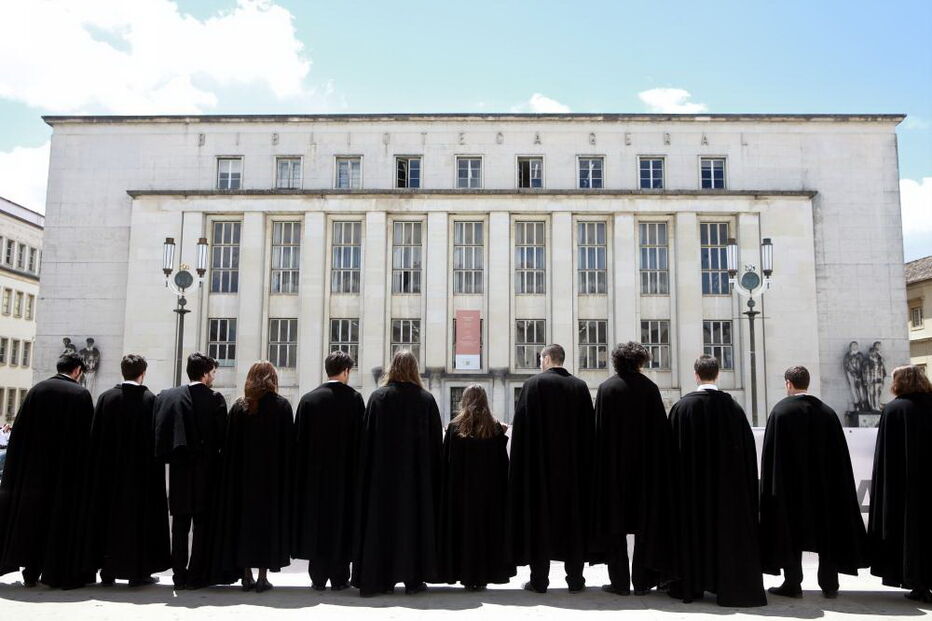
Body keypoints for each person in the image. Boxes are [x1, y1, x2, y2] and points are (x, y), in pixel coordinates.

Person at [760, 365, 868, 599]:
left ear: (788, 383)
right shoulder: (827, 413)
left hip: (790, 489)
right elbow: (840, 458)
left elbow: (771, 457)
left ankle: (793, 582)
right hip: (825, 489)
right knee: (826, 532)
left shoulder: (780, 412)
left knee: (791, 532)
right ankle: (829, 584)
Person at [666, 355, 766, 607]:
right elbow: (747, 456)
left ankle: (692, 584)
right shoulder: (733, 409)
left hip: (690, 492)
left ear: (696, 375)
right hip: (726, 494)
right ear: (717, 374)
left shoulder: (682, 408)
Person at [0, 352, 94, 589]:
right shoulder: (81, 395)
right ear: (77, 371)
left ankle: (29, 571)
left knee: (33, 521)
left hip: (33, 473)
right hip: (66, 474)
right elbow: (86, 439)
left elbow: (19, 433)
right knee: (57, 523)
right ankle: (52, 571)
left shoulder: (37, 391)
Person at [352, 350, 442, 597]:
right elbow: (436, 447)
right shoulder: (426, 400)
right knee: (414, 527)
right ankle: (413, 579)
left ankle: (383, 577)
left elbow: (366, 442)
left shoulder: (378, 398)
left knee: (382, 526)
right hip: (416, 481)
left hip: (382, 480)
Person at [509, 344, 595, 594]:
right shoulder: (579, 387)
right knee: (573, 524)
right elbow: (588, 434)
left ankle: (539, 581)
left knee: (540, 524)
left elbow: (522, 432)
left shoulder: (532, 386)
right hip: (573, 472)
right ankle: (575, 580)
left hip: (539, 471)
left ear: (546, 359)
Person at [590, 342, 674, 596]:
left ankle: (619, 583)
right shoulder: (650, 389)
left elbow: (598, 433)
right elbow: (661, 433)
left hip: (613, 470)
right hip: (645, 471)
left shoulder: (607, 389)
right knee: (644, 527)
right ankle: (641, 581)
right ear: (640, 362)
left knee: (615, 526)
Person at [82, 354, 171, 586]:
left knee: (108, 520)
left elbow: (96, 438)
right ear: (142, 373)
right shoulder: (150, 400)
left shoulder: (105, 398)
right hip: (141, 477)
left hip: (109, 476)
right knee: (139, 523)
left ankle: (107, 570)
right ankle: (138, 571)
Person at [213, 361, 293, 592]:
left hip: (242, 480)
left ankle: (245, 574)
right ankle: (262, 576)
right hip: (271, 481)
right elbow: (289, 448)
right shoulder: (281, 407)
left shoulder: (239, 407)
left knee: (243, 525)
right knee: (266, 526)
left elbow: (229, 448)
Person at [153, 352, 228, 590]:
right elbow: (222, 439)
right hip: (206, 472)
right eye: (213, 372)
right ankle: (196, 575)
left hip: (180, 472)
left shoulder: (169, 396)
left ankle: (179, 575)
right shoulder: (215, 399)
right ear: (206, 373)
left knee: (180, 525)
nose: (214, 376)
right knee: (202, 525)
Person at [292, 351, 364, 591]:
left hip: (315, 478)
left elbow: (299, 443)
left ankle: (318, 577)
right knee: (342, 525)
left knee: (317, 524)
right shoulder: (354, 399)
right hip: (345, 477)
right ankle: (340, 577)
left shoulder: (309, 400)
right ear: (345, 371)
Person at [438, 384, 515, 591]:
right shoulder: (495, 428)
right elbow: (502, 465)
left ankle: (464, 574)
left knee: (463, 534)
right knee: (486, 534)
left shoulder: (455, 428)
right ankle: (484, 575)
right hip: (489, 495)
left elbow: (447, 464)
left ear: (464, 400)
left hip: (461, 493)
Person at [869, 365, 932, 602]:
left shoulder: (894, 410)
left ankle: (917, 582)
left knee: (911, 533)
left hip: (905, 488)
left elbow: (885, 457)